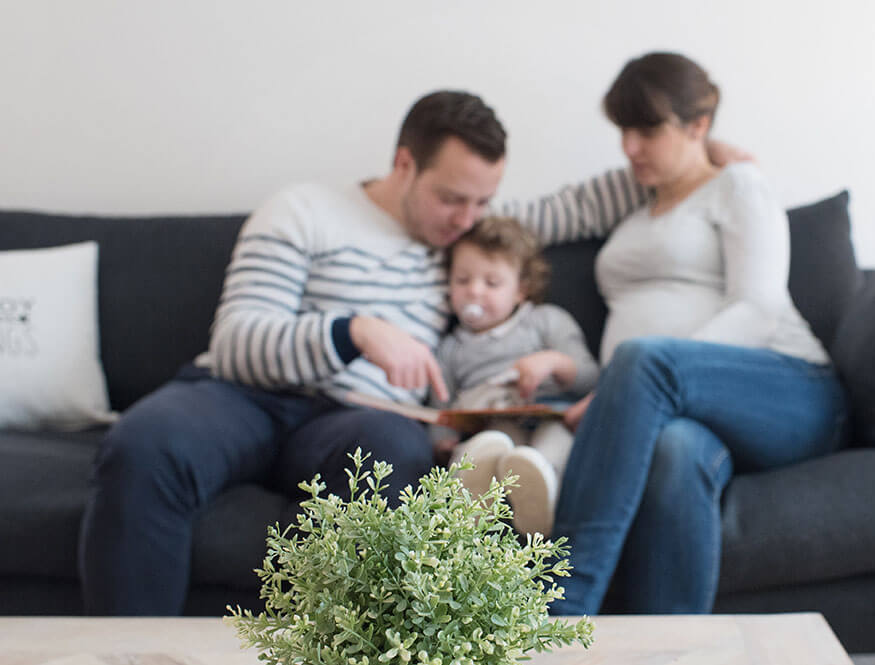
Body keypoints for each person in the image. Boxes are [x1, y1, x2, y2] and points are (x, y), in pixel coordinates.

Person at [78, 88, 662, 616]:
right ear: (404, 164)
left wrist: (703, 159)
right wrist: (353, 331)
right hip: (243, 396)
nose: (468, 220)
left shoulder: (467, 235)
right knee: (145, 443)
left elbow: (583, 205)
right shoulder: (303, 210)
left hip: (360, 420)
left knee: (391, 452)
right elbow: (237, 342)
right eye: (452, 198)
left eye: (483, 203)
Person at [547, 52, 848, 615]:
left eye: (647, 130)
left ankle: (557, 614)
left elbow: (757, 309)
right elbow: (535, 218)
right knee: (675, 451)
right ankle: (677, 649)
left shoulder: (738, 184)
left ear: (698, 126)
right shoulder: (632, 206)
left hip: (788, 391)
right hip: (683, 414)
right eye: (624, 131)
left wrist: (626, 390)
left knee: (641, 364)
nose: (630, 146)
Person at [430, 216, 599, 537]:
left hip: (551, 417)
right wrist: (439, 440)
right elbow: (440, 400)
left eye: (492, 283)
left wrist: (553, 362)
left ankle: (540, 494)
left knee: (552, 447)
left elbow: (591, 377)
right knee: (487, 447)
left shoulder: (547, 321)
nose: (474, 292)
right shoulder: (451, 347)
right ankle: (471, 501)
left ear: (521, 289)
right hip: (491, 422)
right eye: (462, 280)